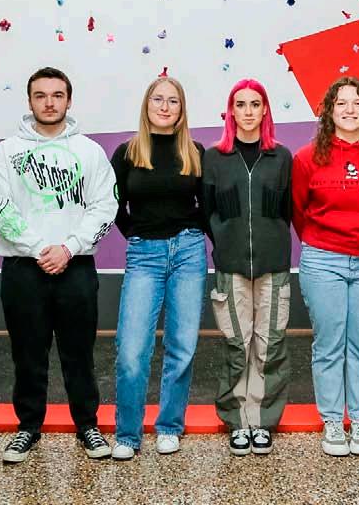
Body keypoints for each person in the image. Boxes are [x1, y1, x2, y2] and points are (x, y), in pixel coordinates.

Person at [0, 67, 117, 463]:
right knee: (27, 355)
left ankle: (88, 426)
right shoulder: (6, 151)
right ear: (29, 101)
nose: (49, 102)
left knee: (80, 354)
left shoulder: (89, 151)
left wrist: (68, 248)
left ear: (68, 100)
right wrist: (42, 248)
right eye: (40, 95)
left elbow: (104, 205)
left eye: (57, 95)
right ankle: (28, 428)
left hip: (76, 268)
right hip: (23, 269)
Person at [292, 76, 359, 457]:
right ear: (329, 111)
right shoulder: (307, 157)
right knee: (329, 344)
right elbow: (299, 211)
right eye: (341, 103)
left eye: (358, 103)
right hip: (323, 260)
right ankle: (332, 422)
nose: (350, 109)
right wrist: (325, 243)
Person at [110, 76, 208, 460]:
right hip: (144, 256)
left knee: (182, 346)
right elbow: (114, 205)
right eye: (158, 99)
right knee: (132, 349)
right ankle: (127, 434)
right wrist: (136, 234)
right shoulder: (128, 152)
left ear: (182, 109)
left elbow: (207, 207)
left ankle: (169, 426)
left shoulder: (194, 152)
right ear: (146, 105)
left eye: (173, 101)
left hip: (188, 252)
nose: (165, 107)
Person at [203, 78, 293, 456]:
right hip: (231, 267)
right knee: (237, 343)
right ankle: (238, 421)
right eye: (240, 104)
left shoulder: (281, 157)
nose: (248, 111)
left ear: (265, 109)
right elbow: (207, 211)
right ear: (231, 111)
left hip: (273, 266)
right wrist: (226, 243)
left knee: (269, 344)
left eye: (255, 104)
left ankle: (262, 421)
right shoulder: (214, 158)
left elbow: (288, 210)